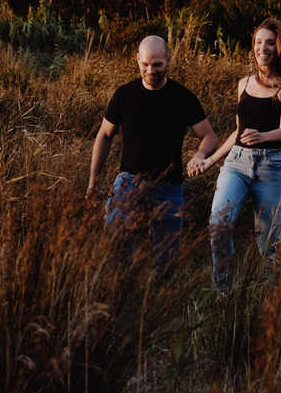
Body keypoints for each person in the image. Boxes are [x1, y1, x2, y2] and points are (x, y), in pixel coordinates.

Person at [189, 18, 281, 294]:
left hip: (269, 168)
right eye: (257, 42)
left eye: (269, 43)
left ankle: (277, 301)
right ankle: (225, 294)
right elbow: (237, 133)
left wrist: (262, 137)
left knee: (269, 243)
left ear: (278, 49)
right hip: (236, 164)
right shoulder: (243, 84)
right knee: (219, 223)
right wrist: (209, 160)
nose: (262, 48)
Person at [88, 35, 218, 277]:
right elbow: (104, 136)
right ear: (137, 59)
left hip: (169, 187)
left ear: (168, 60)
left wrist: (199, 156)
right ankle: (126, 277)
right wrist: (93, 182)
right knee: (113, 227)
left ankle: (159, 299)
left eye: (157, 64)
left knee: (166, 265)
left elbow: (209, 137)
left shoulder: (183, 98)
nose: (150, 70)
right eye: (145, 64)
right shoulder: (124, 95)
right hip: (129, 180)